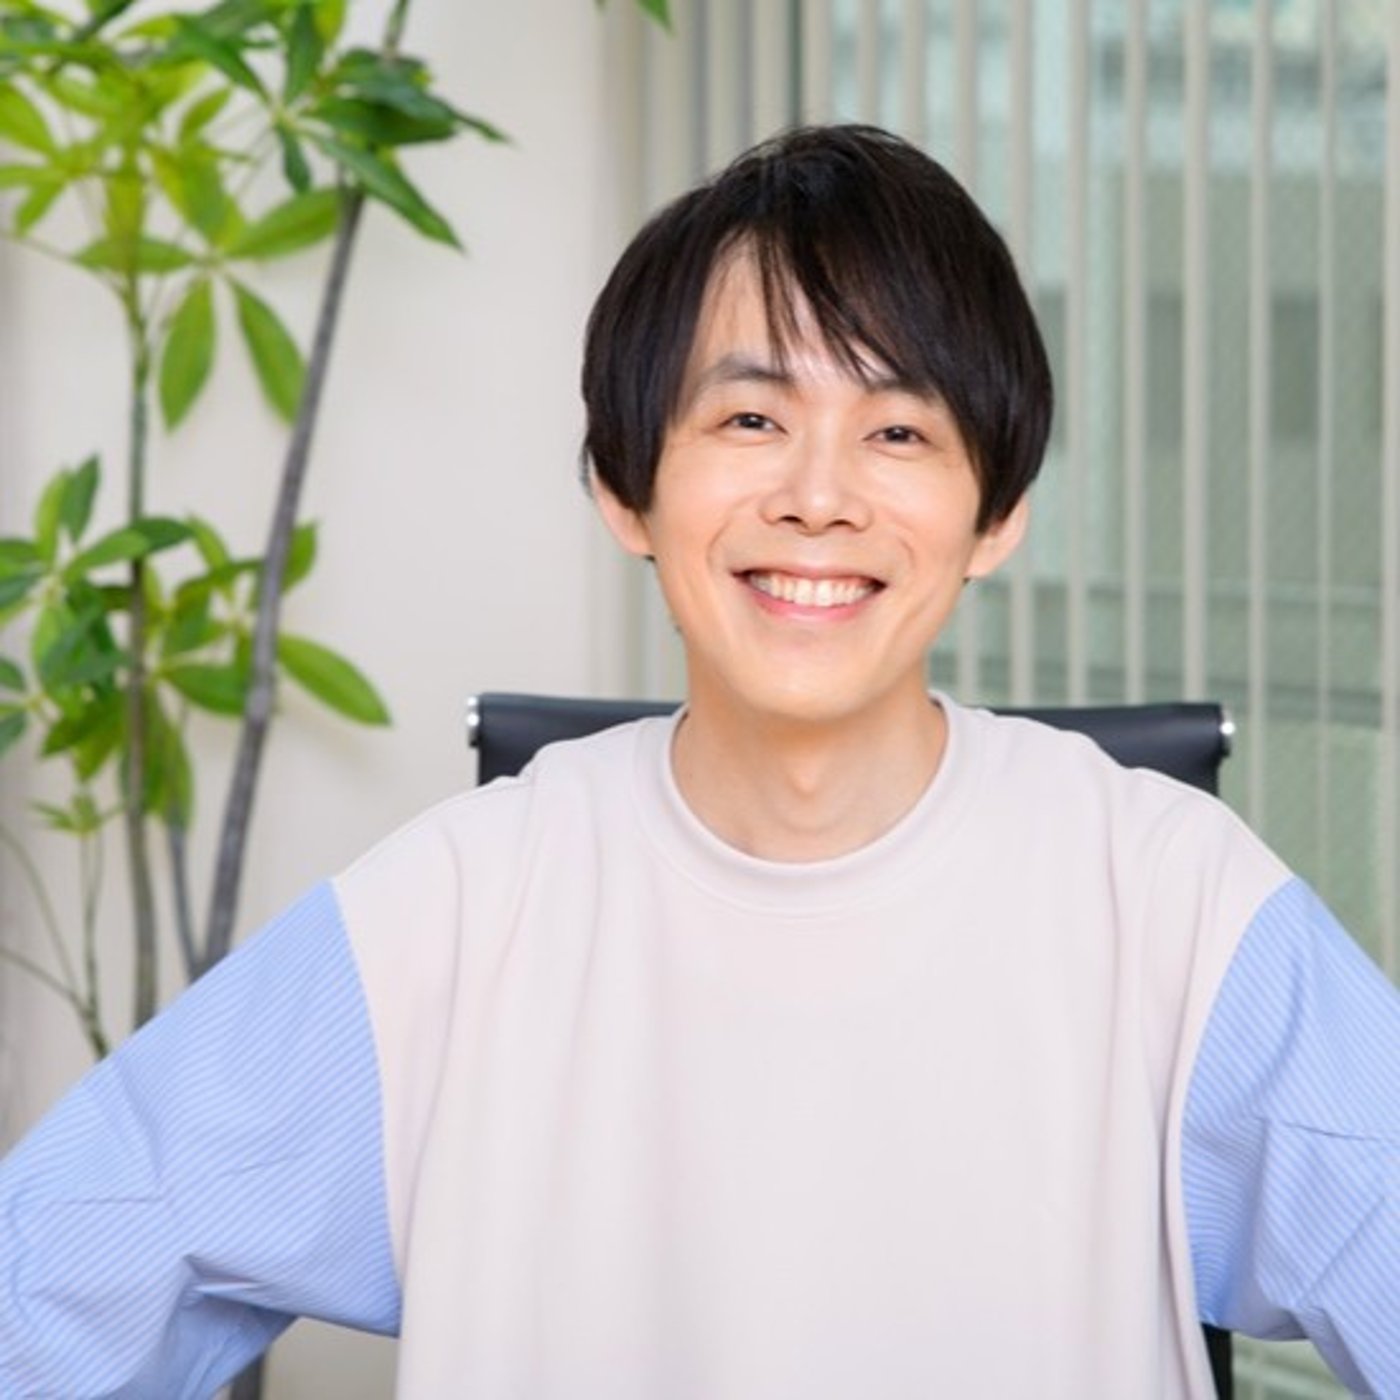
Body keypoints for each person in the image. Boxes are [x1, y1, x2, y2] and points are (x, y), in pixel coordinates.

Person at [1, 124, 1397, 1399]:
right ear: (627, 487)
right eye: (750, 419)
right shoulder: (452, 911)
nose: (819, 497)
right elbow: (67, 1272)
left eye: (898, 431)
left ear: (998, 511)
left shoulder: (1169, 899)